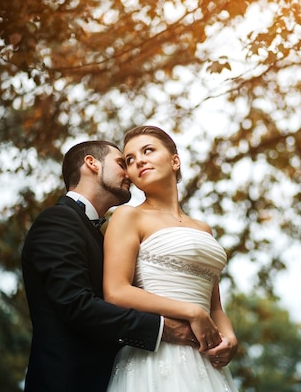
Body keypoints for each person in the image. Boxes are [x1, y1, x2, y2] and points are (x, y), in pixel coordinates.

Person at [21, 140, 196, 392]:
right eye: (122, 163)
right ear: (91, 163)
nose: (130, 172)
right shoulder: (57, 220)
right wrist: (162, 329)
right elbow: (75, 305)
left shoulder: (101, 236)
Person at [103, 126, 240, 392]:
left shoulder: (203, 229)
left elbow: (215, 308)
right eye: (130, 159)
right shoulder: (127, 216)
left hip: (206, 360)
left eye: (148, 150)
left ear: (175, 160)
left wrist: (231, 338)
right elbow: (116, 291)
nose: (139, 160)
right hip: (155, 355)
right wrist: (190, 312)